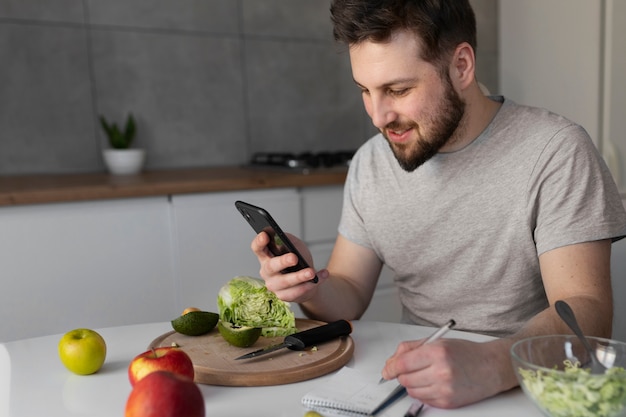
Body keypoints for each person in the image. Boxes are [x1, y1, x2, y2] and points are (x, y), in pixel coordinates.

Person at [250, 0, 626, 409]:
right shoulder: (371, 163)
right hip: (412, 386)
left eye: (398, 90)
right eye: (366, 91)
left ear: (462, 66)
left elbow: (586, 312)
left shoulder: (556, 152)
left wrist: (492, 364)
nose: (378, 117)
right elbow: (350, 293)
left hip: (529, 386)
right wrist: (310, 283)